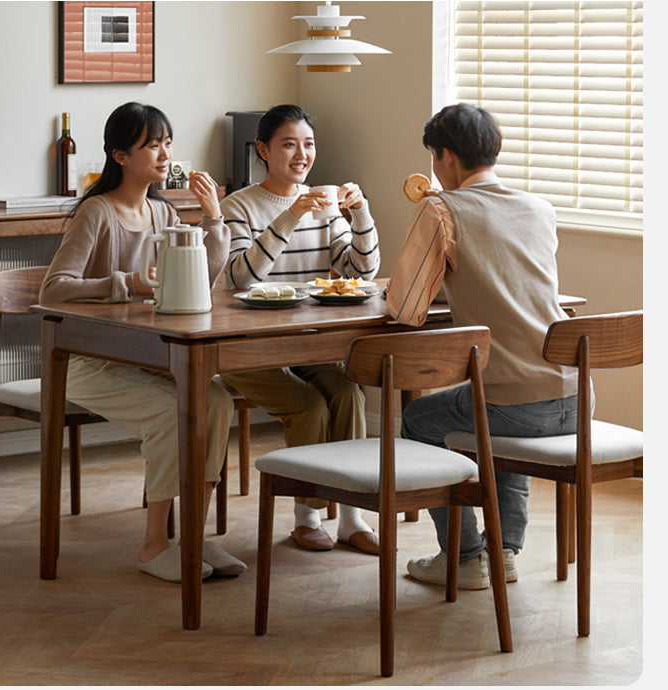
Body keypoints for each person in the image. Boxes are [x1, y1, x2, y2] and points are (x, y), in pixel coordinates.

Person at [39, 101, 245, 583]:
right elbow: (54, 288)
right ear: (120, 156)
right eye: (152, 144)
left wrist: (213, 218)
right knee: (169, 414)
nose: (164, 153)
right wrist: (126, 282)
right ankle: (154, 546)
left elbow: (205, 279)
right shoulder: (96, 212)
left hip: (142, 356)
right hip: (88, 362)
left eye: (167, 143)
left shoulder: (162, 210)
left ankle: (192, 534)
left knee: (214, 402)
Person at [386, 103, 584, 589]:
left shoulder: (440, 208)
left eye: (434, 156)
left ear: (446, 157)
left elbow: (406, 308)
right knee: (495, 405)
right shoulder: (539, 207)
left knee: (418, 419)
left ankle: (465, 555)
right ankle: (505, 552)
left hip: (518, 406)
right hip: (577, 397)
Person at [220, 104, 381, 554]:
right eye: (289, 144)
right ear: (262, 149)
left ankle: (351, 516)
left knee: (349, 394)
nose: (301, 154)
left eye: (308, 144)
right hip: (248, 346)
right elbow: (240, 278)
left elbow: (361, 273)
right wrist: (290, 217)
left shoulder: (325, 206)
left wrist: (361, 215)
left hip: (308, 343)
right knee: (309, 406)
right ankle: (306, 517)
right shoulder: (239, 207)